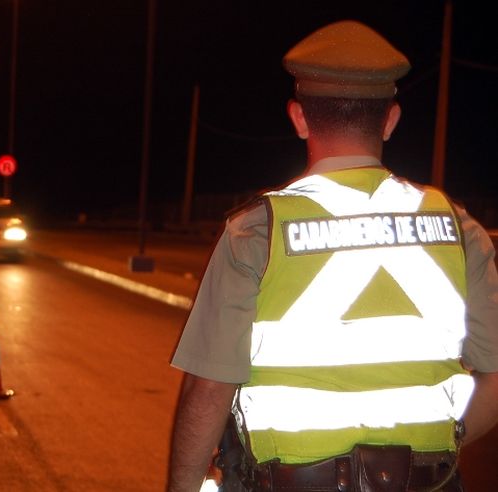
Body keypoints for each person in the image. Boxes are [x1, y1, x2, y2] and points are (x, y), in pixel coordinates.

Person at [167, 20, 498, 492]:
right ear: (390, 119)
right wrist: (438, 446)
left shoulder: (257, 231)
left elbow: (210, 389)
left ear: (299, 118)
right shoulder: (460, 227)